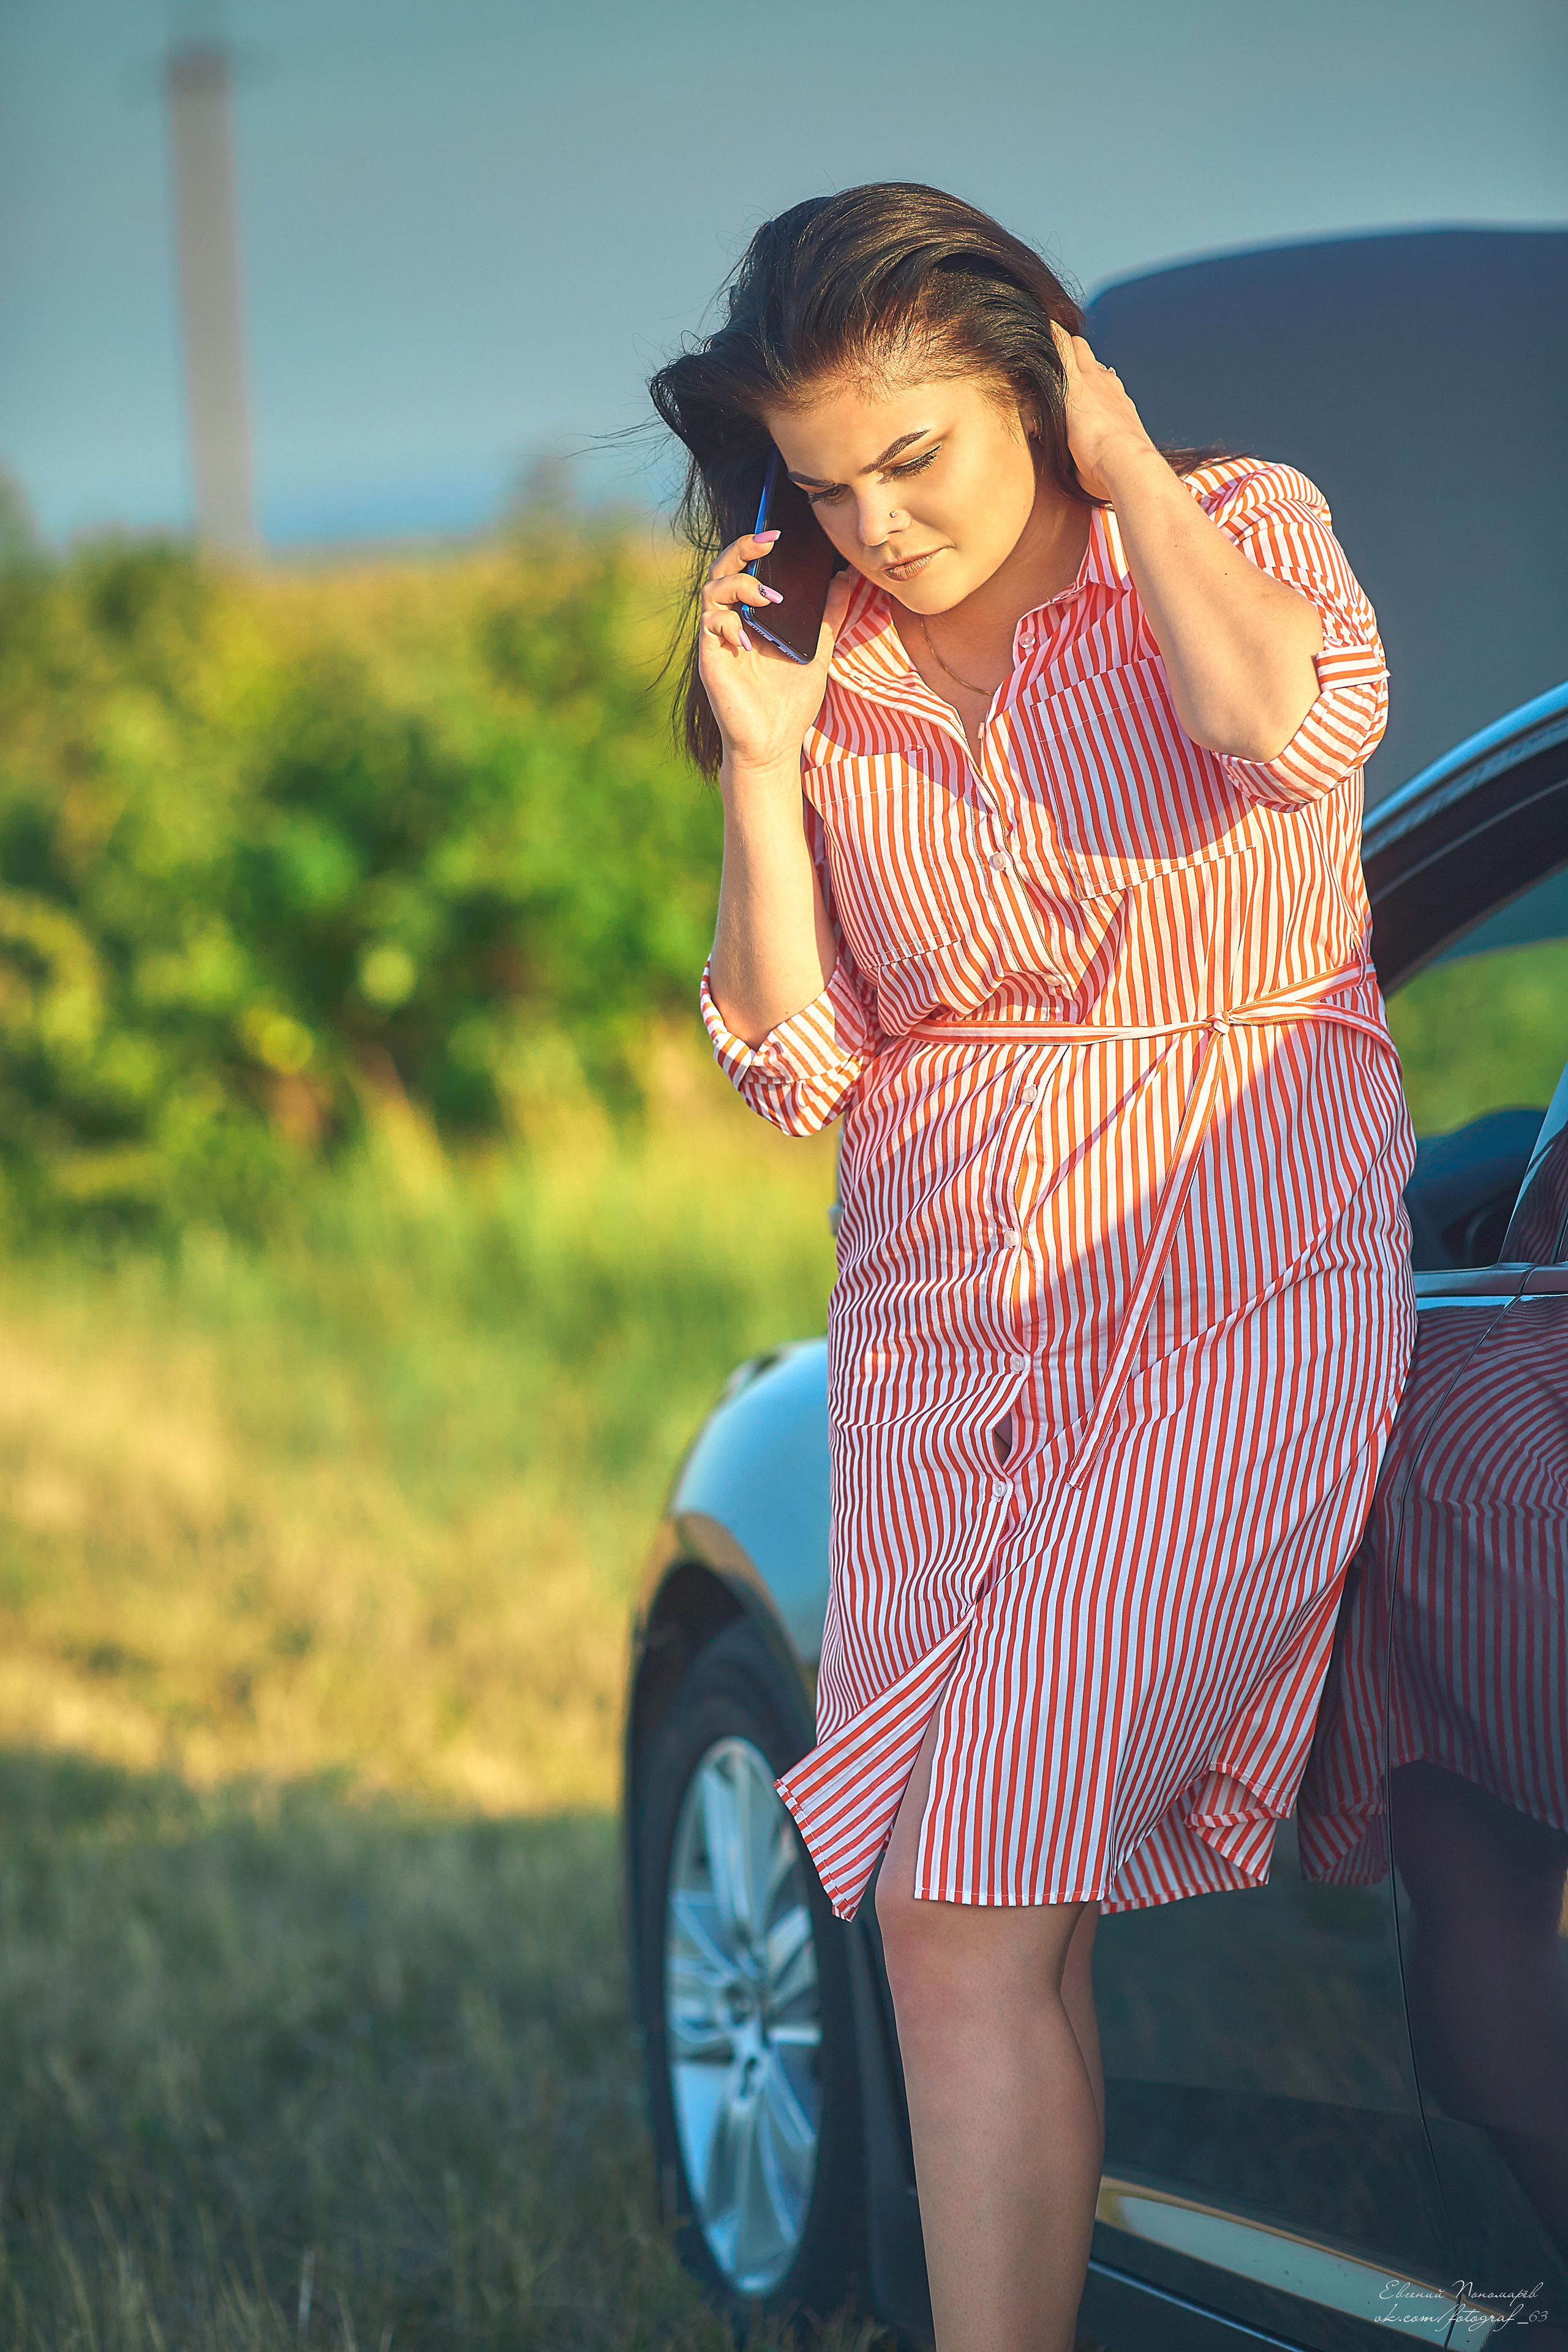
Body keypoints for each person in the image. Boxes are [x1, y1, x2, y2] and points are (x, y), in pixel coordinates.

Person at [649, 183, 1417, 2351]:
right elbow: (797, 1064)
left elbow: (1286, 733)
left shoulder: (1235, 524)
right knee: (952, 1916)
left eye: (916, 457)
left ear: (1039, 381)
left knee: (964, 1897)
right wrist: (765, 768)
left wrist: (1129, 469)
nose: (876, 526)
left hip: (1237, 1287)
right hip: (941, 1335)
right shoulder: (827, 670)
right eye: (824, 486)